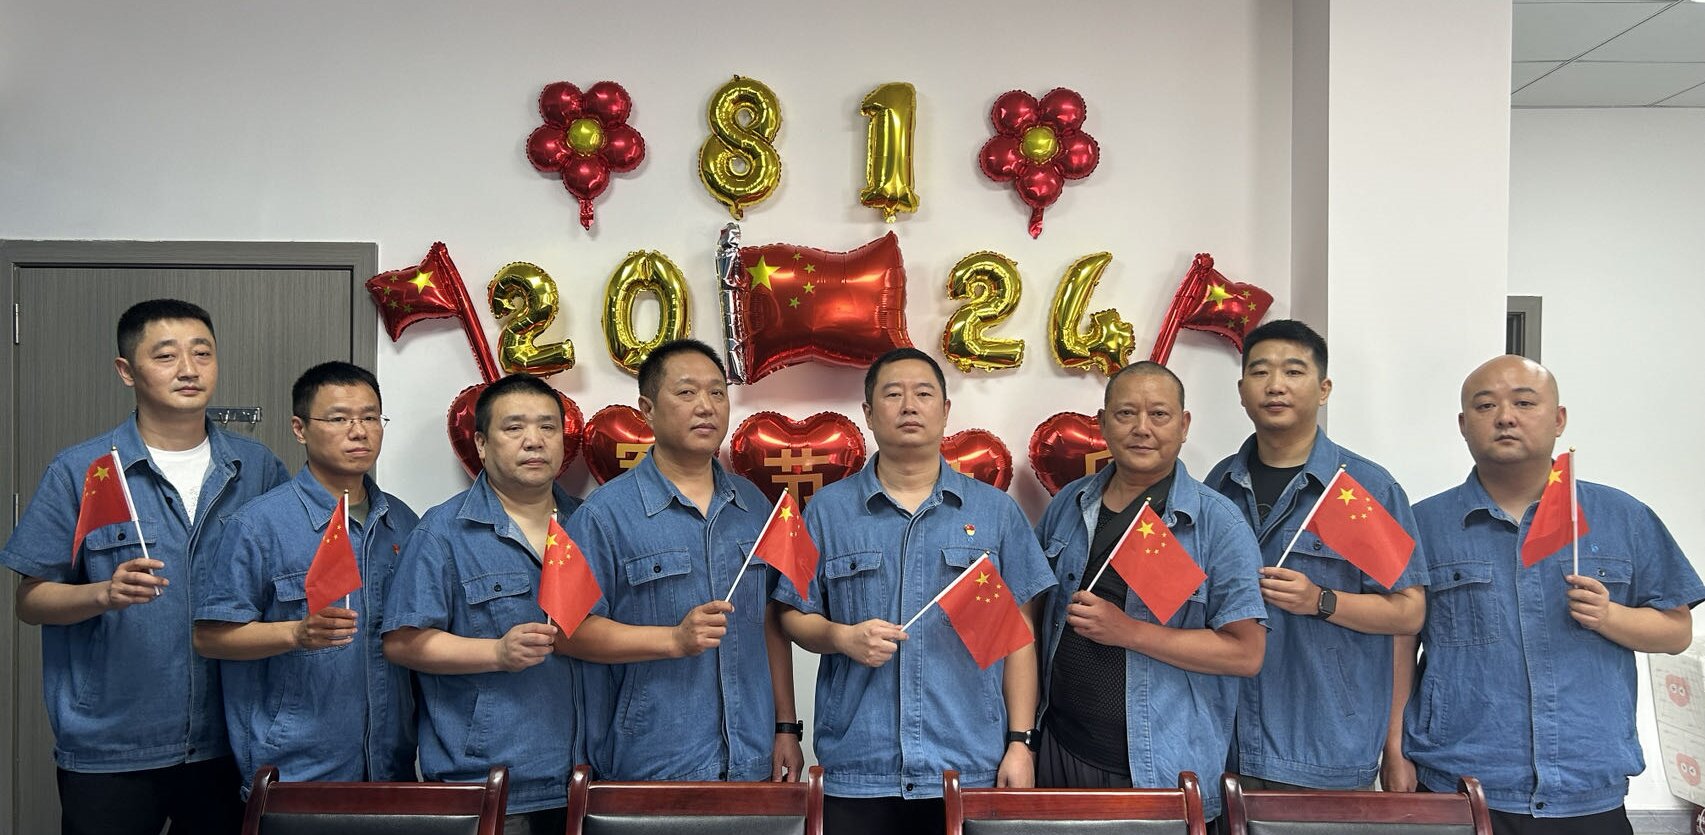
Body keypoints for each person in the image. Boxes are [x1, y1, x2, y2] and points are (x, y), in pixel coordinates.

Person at [0, 299, 289, 835]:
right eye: (166, 356)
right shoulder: (83, 470)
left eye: (203, 353)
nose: (189, 369)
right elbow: (30, 600)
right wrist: (102, 594)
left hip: (229, 741)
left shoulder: (257, 469)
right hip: (111, 746)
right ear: (126, 371)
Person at [1386, 355, 1702, 835]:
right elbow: (1399, 642)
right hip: (1459, 782)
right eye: (1485, 405)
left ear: (1559, 420)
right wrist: (1393, 749)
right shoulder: (1423, 524)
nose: (1505, 417)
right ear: (1463, 425)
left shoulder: (1623, 517)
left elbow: (1676, 631)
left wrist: (1610, 616)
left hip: (1587, 785)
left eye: (1524, 402)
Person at [775, 347, 1055, 835]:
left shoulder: (995, 513)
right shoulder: (825, 511)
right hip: (858, 770)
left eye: (923, 394)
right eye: (893, 394)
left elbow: (1018, 640)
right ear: (868, 413)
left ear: (944, 411)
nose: (909, 406)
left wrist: (1020, 742)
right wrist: (842, 637)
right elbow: (792, 615)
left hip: (968, 765)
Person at [562, 339, 804, 781]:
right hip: (652, 762)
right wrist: (672, 640)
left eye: (717, 393)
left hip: (752, 758)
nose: (706, 407)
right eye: (687, 392)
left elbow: (771, 618)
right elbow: (566, 633)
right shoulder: (603, 515)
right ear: (647, 410)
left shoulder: (754, 504)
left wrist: (785, 726)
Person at [1035, 361, 1266, 821]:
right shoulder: (1069, 503)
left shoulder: (1216, 523)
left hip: (1159, 765)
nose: (1142, 428)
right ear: (1103, 423)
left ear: (1184, 425)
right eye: (1126, 414)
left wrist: (1128, 631)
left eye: (1159, 415)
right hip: (1060, 749)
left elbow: (1246, 653)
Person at [1204, 320, 1426, 792]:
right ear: (1242, 392)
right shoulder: (1218, 486)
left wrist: (1321, 601)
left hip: (1324, 749)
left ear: (1323, 389)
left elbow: (1409, 612)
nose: (1275, 385)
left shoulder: (1362, 488)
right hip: (1223, 743)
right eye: (1260, 372)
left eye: (1293, 371)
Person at [193, 361, 418, 795]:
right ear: (300, 429)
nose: (359, 432)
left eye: (371, 417)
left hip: (391, 765)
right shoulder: (259, 525)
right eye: (339, 419)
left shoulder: (403, 522)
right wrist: (295, 633)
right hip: (294, 769)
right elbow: (210, 637)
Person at [383, 373, 584, 835]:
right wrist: (495, 652)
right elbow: (402, 643)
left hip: (587, 777)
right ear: (480, 443)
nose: (534, 440)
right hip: (490, 784)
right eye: (514, 427)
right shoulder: (443, 532)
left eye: (548, 427)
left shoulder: (588, 523)